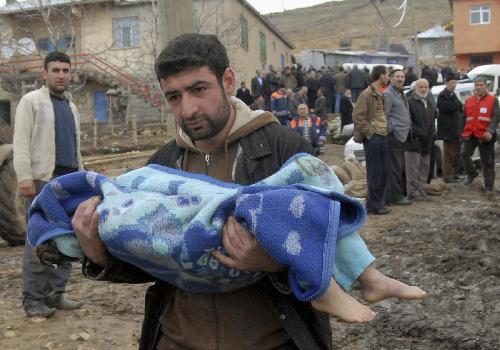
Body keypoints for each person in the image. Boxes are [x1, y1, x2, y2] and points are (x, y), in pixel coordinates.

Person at [71, 34, 425, 350]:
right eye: (174, 97)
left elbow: (324, 240)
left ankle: (372, 277)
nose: (188, 109)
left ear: (227, 81)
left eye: (198, 90)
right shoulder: (161, 166)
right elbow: (152, 259)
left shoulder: (282, 148)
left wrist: (272, 262)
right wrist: (99, 256)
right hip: (177, 338)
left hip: (271, 339)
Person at [12, 51, 83, 317]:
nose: (61, 75)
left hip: (68, 183)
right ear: (44, 73)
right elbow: (21, 142)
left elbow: (76, 148)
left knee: (67, 240)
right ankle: (33, 300)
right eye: (56, 70)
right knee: (38, 242)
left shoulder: (71, 106)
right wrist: (25, 177)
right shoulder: (31, 101)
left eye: (66, 70)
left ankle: (56, 295)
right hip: (43, 182)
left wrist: (82, 176)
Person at [353, 65, 391, 215]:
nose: (388, 77)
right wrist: (370, 132)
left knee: (384, 171)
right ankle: (374, 205)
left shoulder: (380, 94)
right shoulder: (367, 94)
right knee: (375, 171)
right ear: (381, 76)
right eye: (387, 75)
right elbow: (358, 116)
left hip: (382, 135)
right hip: (374, 137)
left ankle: (377, 202)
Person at [461, 77, 500, 193]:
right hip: (471, 134)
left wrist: (490, 130)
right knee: (464, 154)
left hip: (485, 135)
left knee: (488, 162)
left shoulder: (493, 100)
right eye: (477, 85)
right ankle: (472, 173)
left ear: (486, 86)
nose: (478, 87)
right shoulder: (469, 100)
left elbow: (495, 117)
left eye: (481, 85)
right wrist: (461, 132)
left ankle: (489, 187)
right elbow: (464, 118)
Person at [384, 69, 413, 206]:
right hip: (394, 136)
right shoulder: (388, 95)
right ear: (391, 78)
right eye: (397, 76)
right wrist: (392, 130)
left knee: (399, 166)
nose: (400, 79)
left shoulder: (401, 93)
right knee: (394, 167)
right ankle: (395, 197)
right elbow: (384, 116)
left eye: (402, 76)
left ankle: (398, 194)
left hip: (403, 135)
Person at [405, 79, 436, 201]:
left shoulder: (429, 102)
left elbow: (432, 119)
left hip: (427, 141)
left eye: (425, 87)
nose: (423, 89)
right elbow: (407, 121)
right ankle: (412, 192)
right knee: (413, 168)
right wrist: (416, 132)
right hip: (414, 141)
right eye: (421, 87)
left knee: (424, 167)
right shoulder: (410, 102)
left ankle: (421, 189)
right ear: (416, 88)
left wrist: (433, 133)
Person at [436, 74, 464, 183]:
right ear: (447, 83)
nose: (454, 85)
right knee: (448, 153)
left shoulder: (453, 95)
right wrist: (456, 104)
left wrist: (457, 104)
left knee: (456, 152)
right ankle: (447, 175)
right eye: (452, 83)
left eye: (455, 83)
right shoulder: (443, 95)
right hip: (447, 130)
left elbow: (460, 106)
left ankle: (455, 173)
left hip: (456, 129)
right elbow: (448, 108)